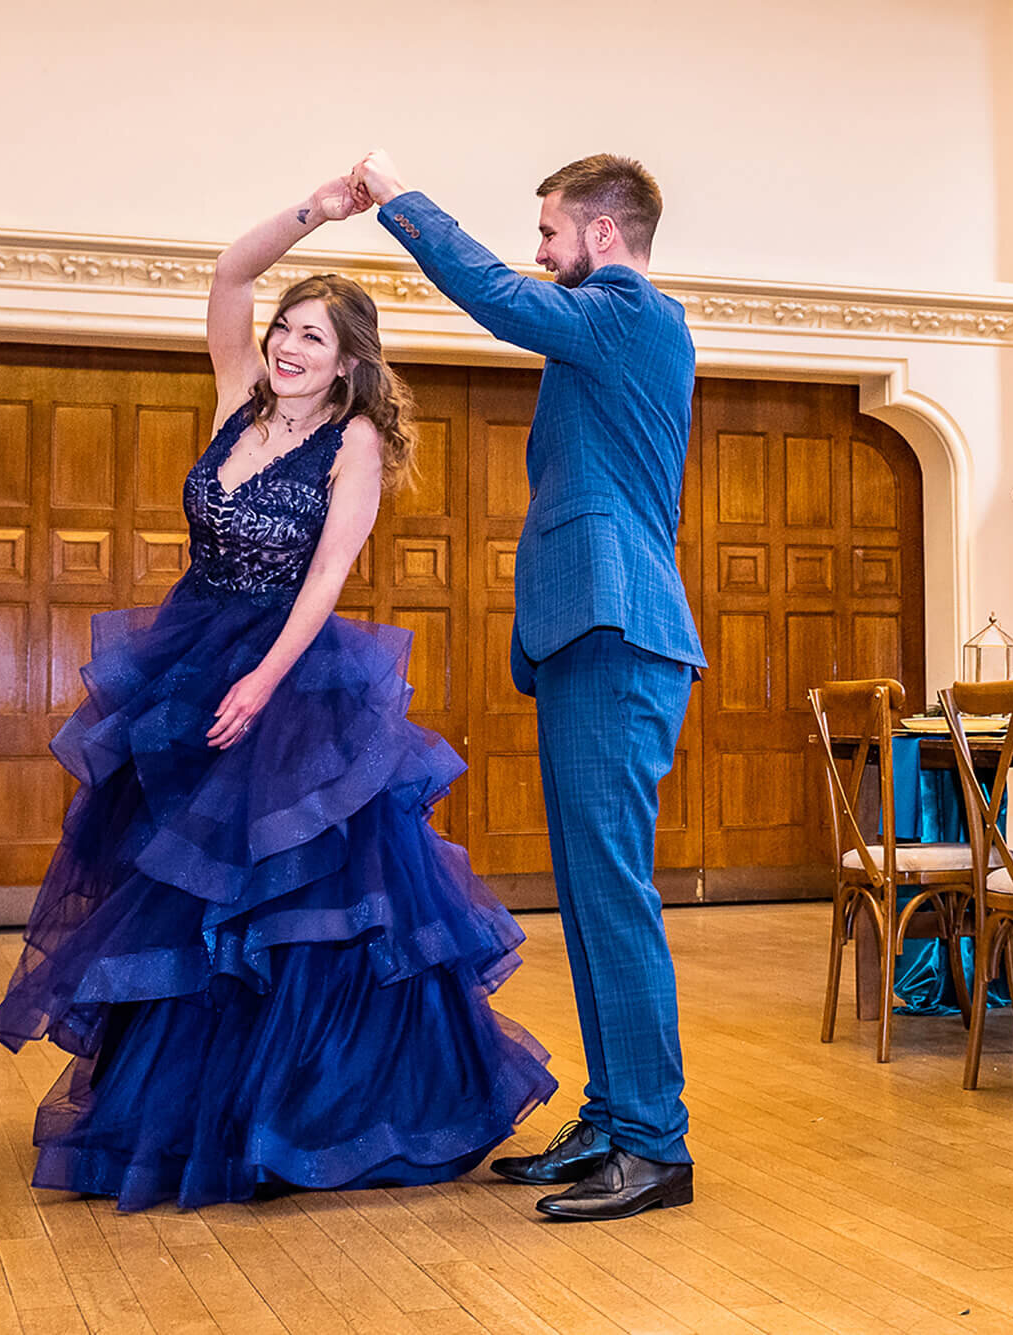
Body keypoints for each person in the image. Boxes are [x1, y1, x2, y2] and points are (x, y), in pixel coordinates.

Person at [0, 174, 556, 1212]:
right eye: (287, 329)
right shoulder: (233, 398)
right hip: (188, 656)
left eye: (315, 341)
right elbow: (227, 271)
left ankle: (303, 1116)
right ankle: (186, 1105)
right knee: (178, 892)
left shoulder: (355, 444)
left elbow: (327, 579)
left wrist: (262, 679)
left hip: (289, 677)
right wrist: (322, 207)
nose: (290, 349)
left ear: (348, 367)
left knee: (297, 903)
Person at [354, 148, 703, 1222]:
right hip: (587, 634)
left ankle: (654, 1144)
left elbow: (498, 299)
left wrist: (397, 199)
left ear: (602, 233)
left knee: (614, 897)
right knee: (594, 899)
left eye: (550, 228)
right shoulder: (599, 329)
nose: (539, 248)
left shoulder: (631, 309)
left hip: (617, 628)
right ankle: (613, 1121)